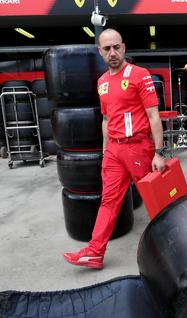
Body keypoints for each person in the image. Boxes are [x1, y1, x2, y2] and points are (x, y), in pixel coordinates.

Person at [63, 28, 166, 269]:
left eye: (116, 47)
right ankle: (95, 252)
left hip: (138, 148)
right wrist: (105, 152)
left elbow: (153, 116)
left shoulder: (140, 75)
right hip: (114, 152)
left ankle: (179, 245)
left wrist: (159, 153)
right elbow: (107, 121)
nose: (113, 53)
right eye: (107, 48)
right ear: (99, 52)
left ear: (124, 47)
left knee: (157, 201)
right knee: (108, 201)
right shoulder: (102, 83)